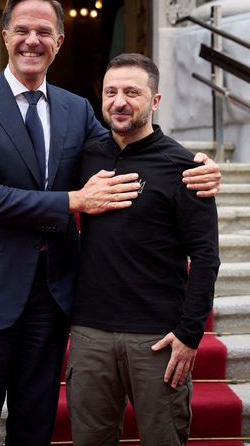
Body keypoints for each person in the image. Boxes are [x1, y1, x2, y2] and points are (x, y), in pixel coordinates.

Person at [0, 0, 221, 446]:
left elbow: (132, 137)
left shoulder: (76, 109)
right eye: (23, 30)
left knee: (34, 427)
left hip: (52, 298)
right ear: (6, 35)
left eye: (44, 32)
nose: (33, 40)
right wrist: (75, 201)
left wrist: (198, 166)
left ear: (59, 42)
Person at [66, 53, 220, 446]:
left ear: (155, 101)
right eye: (111, 92)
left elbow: (205, 257)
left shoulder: (185, 167)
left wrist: (189, 334)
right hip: (89, 333)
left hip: (156, 337)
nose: (120, 101)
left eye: (132, 92)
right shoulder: (84, 157)